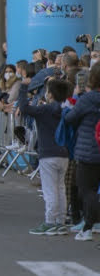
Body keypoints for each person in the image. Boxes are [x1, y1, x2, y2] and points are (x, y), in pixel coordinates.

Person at [20, 77, 71, 235]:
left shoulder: (45, 110)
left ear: (50, 94)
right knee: (61, 188)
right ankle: (61, 221)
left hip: (47, 154)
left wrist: (23, 88)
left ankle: (50, 221)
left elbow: (24, 108)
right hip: (64, 153)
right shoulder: (66, 109)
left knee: (50, 189)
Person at [64, 63, 100, 241]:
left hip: (89, 150)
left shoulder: (87, 99)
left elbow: (70, 118)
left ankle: (88, 226)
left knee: (86, 190)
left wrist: (74, 98)